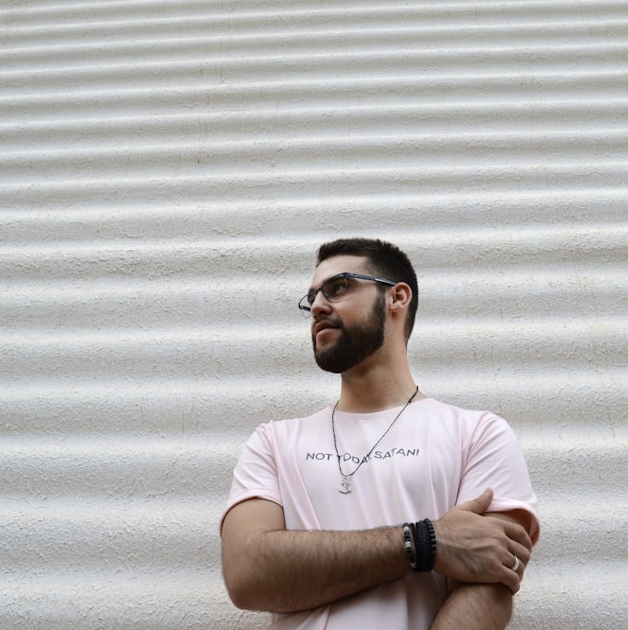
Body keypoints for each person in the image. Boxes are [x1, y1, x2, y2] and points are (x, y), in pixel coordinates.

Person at [220, 238, 540, 630]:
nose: (318, 306)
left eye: (339, 287)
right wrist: (424, 542)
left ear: (397, 298)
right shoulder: (273, 441)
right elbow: (248, 574)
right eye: (312, 298)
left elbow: (489, 588)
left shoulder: (478, 435)